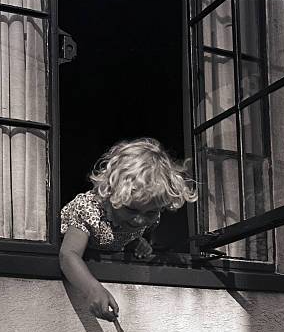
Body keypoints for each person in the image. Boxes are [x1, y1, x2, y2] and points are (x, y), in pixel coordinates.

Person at [59, 138, 197, 321]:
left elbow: (117, 237)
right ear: (111, 194)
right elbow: (68, 254)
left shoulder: (150, 219)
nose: (140, 220)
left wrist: (136, 243)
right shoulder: (88, 209)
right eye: (131, 209)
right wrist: (92, 288)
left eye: (151, 213)